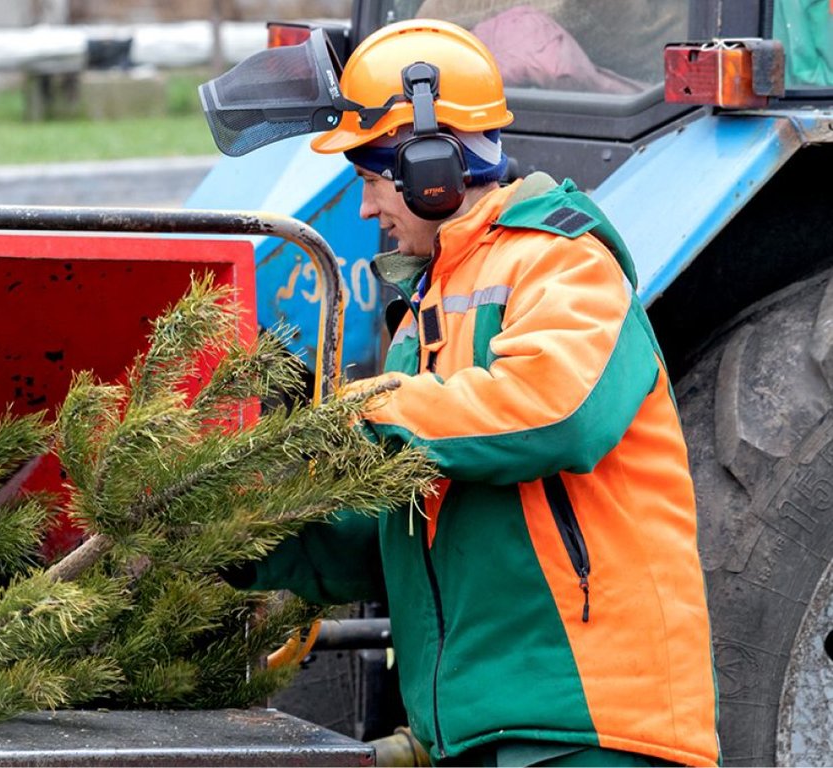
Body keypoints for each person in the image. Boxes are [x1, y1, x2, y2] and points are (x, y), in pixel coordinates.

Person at [222, 19, 720, 767]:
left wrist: (361, 412)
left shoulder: (563, 263)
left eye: (367, 179)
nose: (363, 210)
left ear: (431, 166)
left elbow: (555, 412)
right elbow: (401, 530)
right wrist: (243, 534)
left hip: (585, 726)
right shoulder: (424, 311)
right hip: (488, 729)